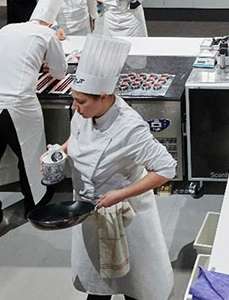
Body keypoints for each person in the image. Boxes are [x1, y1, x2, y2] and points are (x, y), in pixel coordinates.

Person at [64, 36, 177, 300]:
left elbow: (165, 169)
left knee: (133, 285)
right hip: (89, 210)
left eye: (80, 101)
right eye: (74, 99)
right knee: (97, 281)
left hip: (126, 216)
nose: (74, 107)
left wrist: (121, 195)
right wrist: (60, 150)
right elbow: (78, 136)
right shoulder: (84, 112)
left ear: (104, 96)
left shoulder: (130, 128)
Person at [0, 0, 66, 244]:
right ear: (51, 21)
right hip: (19, 104)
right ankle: (35, 209)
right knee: (29, 159)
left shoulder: (6, 29)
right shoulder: (47, 34)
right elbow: (60, 71)